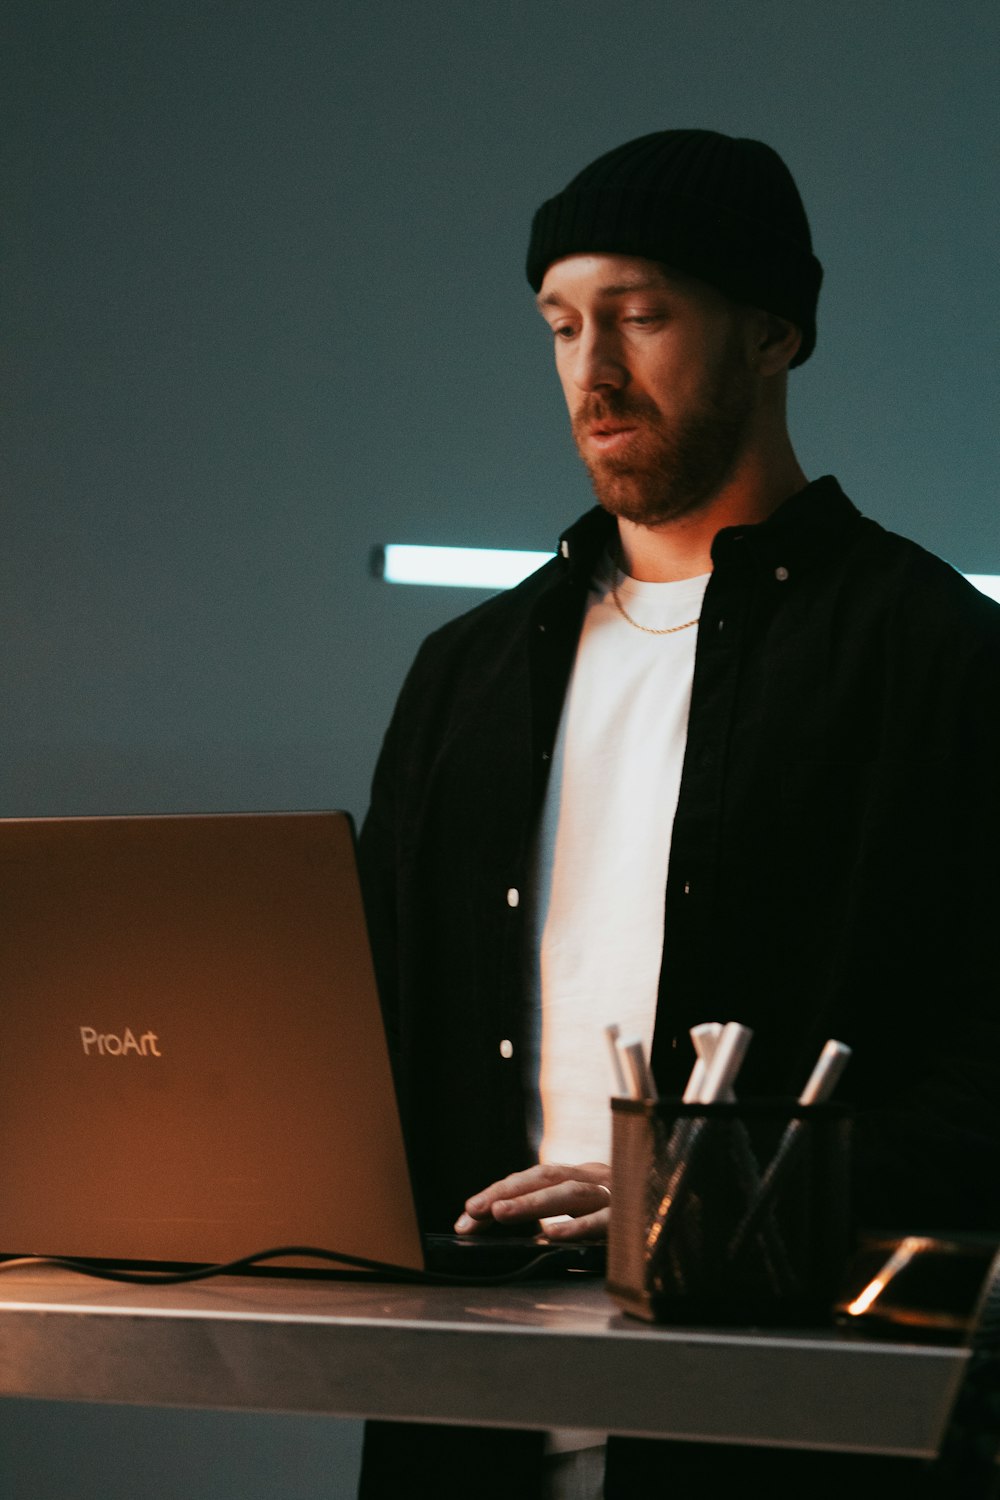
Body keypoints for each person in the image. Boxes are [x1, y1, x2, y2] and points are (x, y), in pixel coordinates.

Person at [356, 129, 1000, 1499]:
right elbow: (363, 1036)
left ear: (772, 335)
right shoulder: (463, 673)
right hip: (465, 1426)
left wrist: (710, 1195)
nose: (593, 371)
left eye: (641, 317)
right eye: (562, 324)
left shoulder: (939, 658)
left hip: (778, 1438)